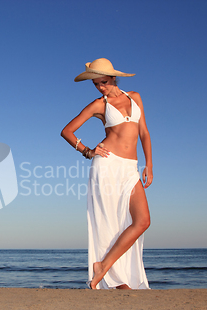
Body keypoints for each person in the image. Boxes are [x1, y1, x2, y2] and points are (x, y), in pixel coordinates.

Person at [61, 58, 153, 289]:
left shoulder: (135, 97)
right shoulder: (98, 105)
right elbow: (67, 131)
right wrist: (88, 151)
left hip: (130, 167)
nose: (100, 87)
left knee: (142, 221)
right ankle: (113, 277)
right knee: (109, 222)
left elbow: (144, 132)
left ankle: (103, 266)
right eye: (96, 84)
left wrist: (149, 164)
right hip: (107, 165)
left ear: (113, 78)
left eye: (103, 82)